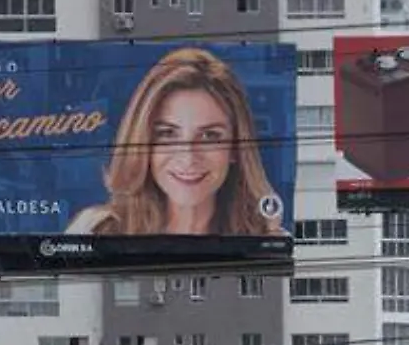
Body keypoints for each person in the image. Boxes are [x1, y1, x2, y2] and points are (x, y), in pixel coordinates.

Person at [65, 48, 286, 238]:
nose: (188, 158)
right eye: (168, 133)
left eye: (209, 136)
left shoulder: (268, 239)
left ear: (236, 149)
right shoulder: (93, 230)